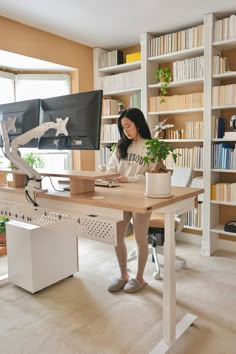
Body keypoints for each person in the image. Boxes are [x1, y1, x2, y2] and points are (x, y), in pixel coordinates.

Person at [106, 107, 153, 293]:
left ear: (138, 124)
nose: (125, 130)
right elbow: (110, 167)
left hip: (142, 198)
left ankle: (140, 278)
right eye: (123, 127)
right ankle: (124, 274)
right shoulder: (120, 146)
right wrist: (107, 173)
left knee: (141, 239)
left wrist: (130, 178)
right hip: (120, 197)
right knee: (117, 238)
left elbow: (152, 176)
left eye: (128, 125)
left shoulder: (150, 146)